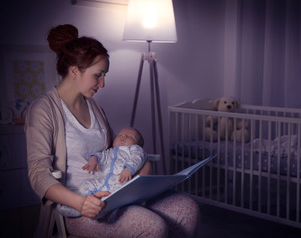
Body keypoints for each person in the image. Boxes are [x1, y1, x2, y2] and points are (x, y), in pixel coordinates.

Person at [25, 24, 199, 238]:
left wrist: (142, 168)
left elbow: (114, 151)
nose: (103, 84)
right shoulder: (43, 110)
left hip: (117, 192)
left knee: (187, 207)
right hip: (83, 206)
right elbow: (38, 174)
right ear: (74, 71)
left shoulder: (94, 106)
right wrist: (81, 203)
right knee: (152, 226)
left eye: (104, 75)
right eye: (98, 75)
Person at [57, 126, 147, 217]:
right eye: (120, 135)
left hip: (119, 180)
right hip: (102, 180)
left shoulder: (134, 150)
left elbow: (139, 157)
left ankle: (102, 212)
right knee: (87, 184)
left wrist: (129, 169)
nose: (123, 137)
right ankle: (80, 206)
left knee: (115, 198)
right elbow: (101, 155)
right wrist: (93, 159)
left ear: (137, 144)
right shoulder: (110, 151)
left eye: (129, 136)